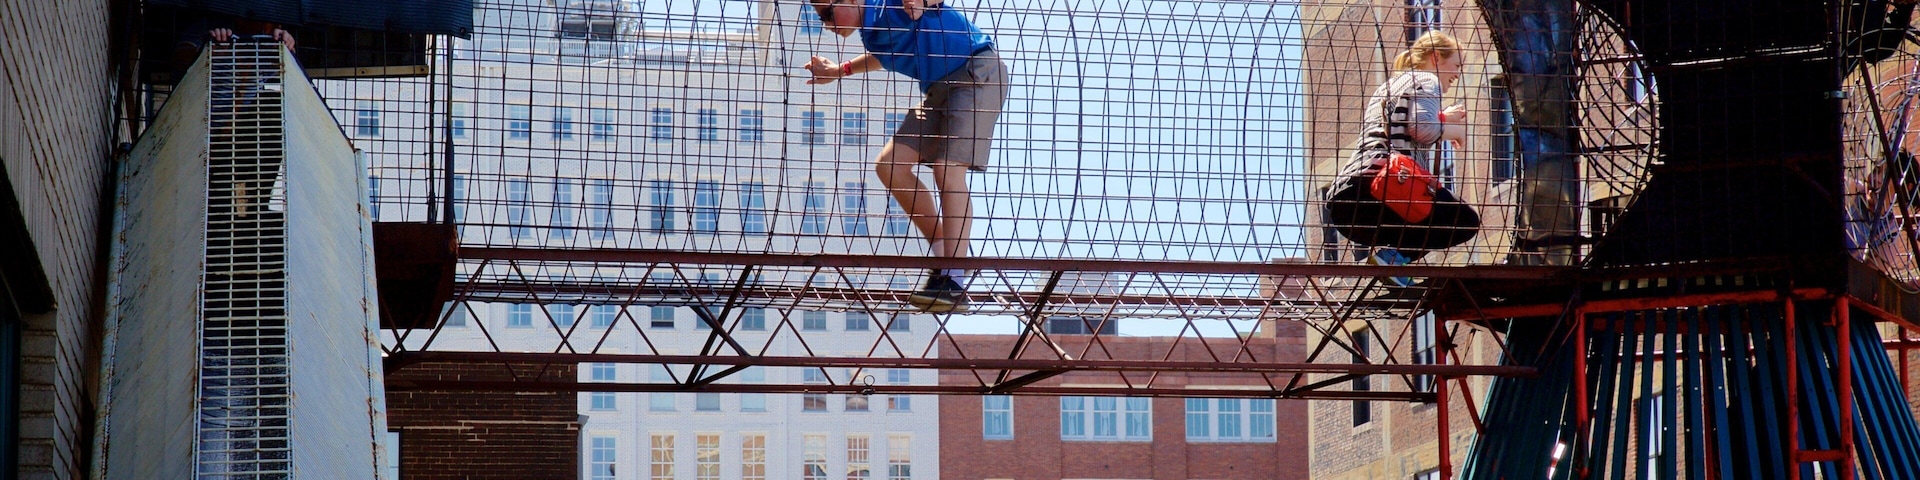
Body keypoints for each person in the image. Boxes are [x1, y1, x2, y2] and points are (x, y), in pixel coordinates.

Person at [802, 0, 1009, 313]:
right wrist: (840, 70)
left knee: (947, 170)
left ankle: (952, 278)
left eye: (828, 14)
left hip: (974, 75)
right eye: (821, 19)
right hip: (939, 91)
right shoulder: (872, 34)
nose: (827, 24)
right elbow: (882, 58)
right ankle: (947, 252)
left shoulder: (890, 4)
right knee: (889, 166)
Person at [1325, 31, 1482, 287]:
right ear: (1436, 58)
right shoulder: (1427, 79)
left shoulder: (1387, 86)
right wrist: (1455, 131)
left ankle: (1390, 260)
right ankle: (1391, 260)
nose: (1457, 74)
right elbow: (1421, 128)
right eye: (1456, 65)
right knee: (1464, 221)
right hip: (1381, 188)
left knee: (1422, 224)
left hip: (1348, 200)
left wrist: (1441, 118)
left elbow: (1397, 123)